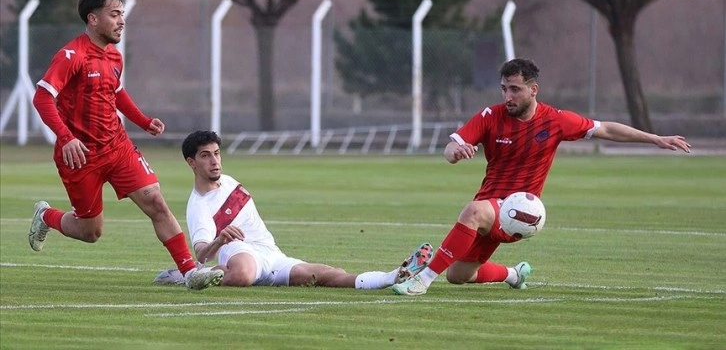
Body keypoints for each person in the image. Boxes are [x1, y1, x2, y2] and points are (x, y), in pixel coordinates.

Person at [392, 58, 691, 296]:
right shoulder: (490, 116)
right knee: (458, 274)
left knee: (472, 212)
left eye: (515, 89)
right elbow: (450, 147)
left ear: (533, 90)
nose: (507, 96)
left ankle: (423, 280)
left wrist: (654, 138)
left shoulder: (556, 120)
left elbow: (607, 129)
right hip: (490, 208)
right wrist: (456, 151)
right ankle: (513, 274)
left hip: (517, 212)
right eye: (504, 89)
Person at [27, 0, 223, 290]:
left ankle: (189, 272)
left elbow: (115, 93)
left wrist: (143, 121)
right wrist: (66, 138)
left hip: (117, 148)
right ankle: (47, 216)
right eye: (115, 14)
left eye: (122, 14)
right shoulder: (71, 55)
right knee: (90, 232)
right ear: (93, 19)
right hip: (79, 156)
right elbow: (42, 97)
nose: (122, 21)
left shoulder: (114, 56)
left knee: (156, 201)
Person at [153, 130, 433, 289]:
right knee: (243, 274)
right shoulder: (198, 206)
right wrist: (221, 239)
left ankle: (392, 276)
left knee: (323, 276)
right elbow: (200, 252)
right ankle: (187, 276)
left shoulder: (229, 181)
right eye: (205, 156)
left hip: (271, 254)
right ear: (191, 162)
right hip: (237, 251)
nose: (214, 161)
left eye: (216, 153)